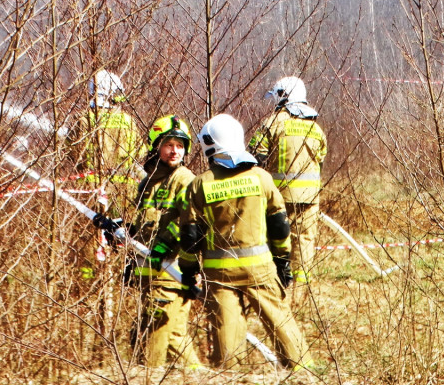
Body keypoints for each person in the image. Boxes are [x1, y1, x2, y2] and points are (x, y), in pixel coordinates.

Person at [175, 113, 310, 370]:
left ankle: (232, 376)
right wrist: (283, 261)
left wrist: (189, 271)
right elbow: (280, 224)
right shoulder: (261, 177)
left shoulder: (199, 184)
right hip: (261, 268)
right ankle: (304, 372)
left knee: (227, 332)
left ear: (209, 144)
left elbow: (190, 236)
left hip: (220, 272)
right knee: (281, 322)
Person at [66, 69, 145, 353]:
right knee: (121, 251)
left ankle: (89, 310)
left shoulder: (81, 121)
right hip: (123, 200)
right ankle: (116, 313)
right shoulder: (128, 121)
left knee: (89, 259)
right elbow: (139, 156)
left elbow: (71, 156)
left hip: (88, 203)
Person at [125, 115, 202, 369]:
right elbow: (142, 225)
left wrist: (162, 247)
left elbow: (186, 221)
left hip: (172, 270)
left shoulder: (184, 179)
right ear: (156, 146)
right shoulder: (148, 182)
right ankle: (199, 376)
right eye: (169, 144)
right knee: (175, 337)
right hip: (150, 272)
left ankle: (154, 375)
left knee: (155, 340)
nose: (175, 151)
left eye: (180, 146)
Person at [248, 77, 327, 285]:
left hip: (277, 196)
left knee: (273, 238)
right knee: (304, 241)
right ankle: (300, 289)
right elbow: (320, 163)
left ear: (283, 95)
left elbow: (254, 159)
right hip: (309, 197)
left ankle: (274, 283)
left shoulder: (272, 123)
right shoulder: (315, 127)